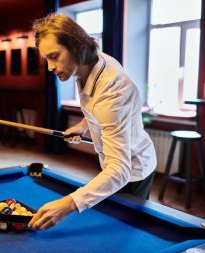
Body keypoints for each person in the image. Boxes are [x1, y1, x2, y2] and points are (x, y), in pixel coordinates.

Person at [28, 13, 157, 230]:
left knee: (119, 233)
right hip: (115, 164)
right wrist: (83, 126)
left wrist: (67, 204)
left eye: (54, 56)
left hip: (133, 170)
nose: (49, 67)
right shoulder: (88, 65)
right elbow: (96, 106)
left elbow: (120, 170)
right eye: (46, 59)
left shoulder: (113, 90)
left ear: (76, 48)